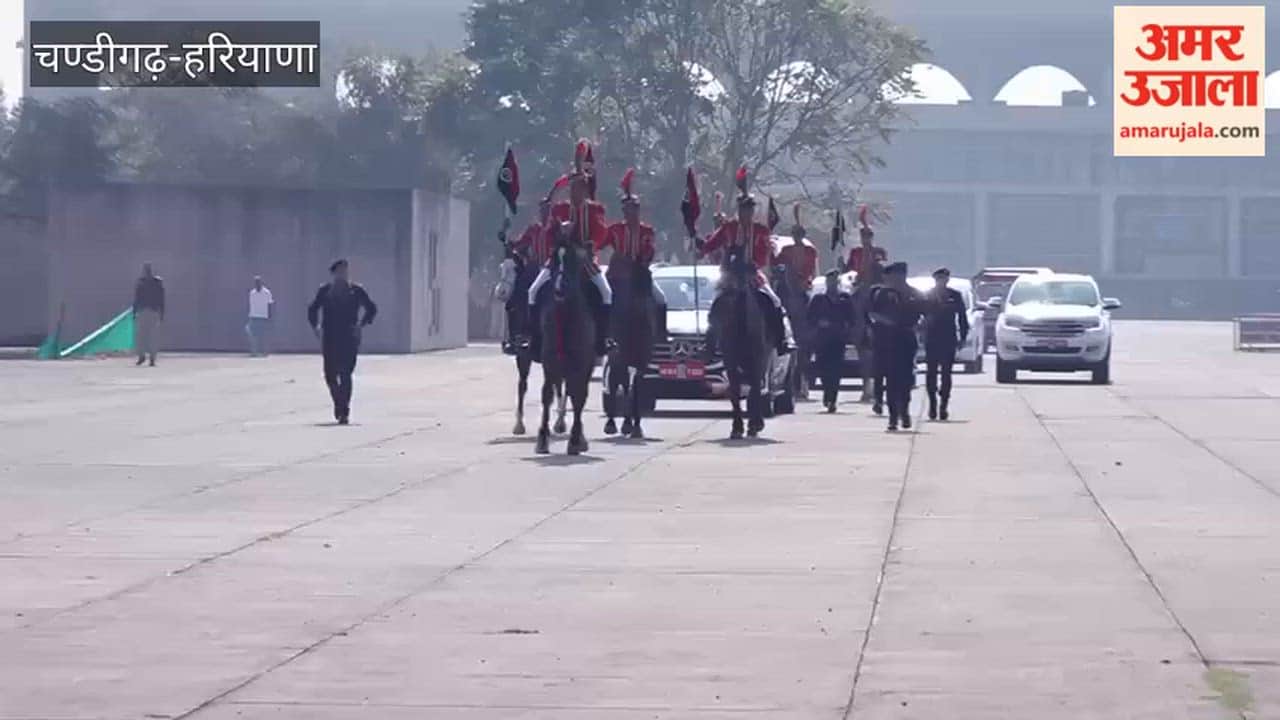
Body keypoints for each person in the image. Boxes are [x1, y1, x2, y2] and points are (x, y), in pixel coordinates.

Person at [523, 142, 615, 357]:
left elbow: (601, 233)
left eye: (579, 187)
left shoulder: (594, 209)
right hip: (560, 258)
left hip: (585, 261)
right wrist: (559, 232)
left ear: (585, 189)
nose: (575, 191)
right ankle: (533, 338)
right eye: (573, 187)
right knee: (533, 291)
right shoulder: (560, 209)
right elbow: (548, 234)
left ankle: (603, 339)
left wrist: (590, 244)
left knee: (607, 293)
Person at [696, 192, 792, 356]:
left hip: (752, 275)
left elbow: (764, 254)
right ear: (739, 209)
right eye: (743, 208)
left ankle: (781, 340)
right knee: (717, 305)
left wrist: (754, 266)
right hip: (731, 276)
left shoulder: (761, 230)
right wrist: (701, 250)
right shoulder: (728, 228)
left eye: (749, 209)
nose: (746, 212)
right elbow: (713, 243)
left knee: (774, 301)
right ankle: (709, 344)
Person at [307, 259, 377, 425]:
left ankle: (344, 411)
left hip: (349, 337)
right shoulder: (325, 291)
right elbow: (312, 309)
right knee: (330, 375)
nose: (342, 275)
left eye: (345, 272)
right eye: (339, 272)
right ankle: (339, 403)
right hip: (330, 337)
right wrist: (316, 326)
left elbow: (371, 309)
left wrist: (361, 324)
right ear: (333, 274)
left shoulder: (356, 290)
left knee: (346, 374)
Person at [598, 169, 668, 331]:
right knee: (603, 297)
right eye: (628, 209)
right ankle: (604, 332)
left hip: (639, 273)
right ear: (623, 211)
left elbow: (649, 251)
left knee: (661, 299)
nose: (631, 213)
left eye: (634, 209)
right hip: (617, 274)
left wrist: (641, 260)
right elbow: (600, 244)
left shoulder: (646, 231)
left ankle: (661, 333)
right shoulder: (615, 229)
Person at [867, 261, 927, 431]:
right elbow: (872, 313)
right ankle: (893, 417)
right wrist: (887, 321)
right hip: (888, 340)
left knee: (906, 380)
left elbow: (925, 314)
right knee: (892, 380)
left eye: (897, 276)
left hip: (907, 339)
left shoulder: (914, 294)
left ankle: (904, 411)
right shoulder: (882, 294)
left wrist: (921, 325)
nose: (894, 279)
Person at [502, 197, 554, 354]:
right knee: (516, 295)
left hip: (552, 268)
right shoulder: (533, 229)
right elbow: (519, 244)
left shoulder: (556, 228)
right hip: (534, 269)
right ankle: (517, 335)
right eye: (542, 210)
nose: (544, 213)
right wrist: (508, 242)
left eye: (547, 209)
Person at [923, 267, 969, 421]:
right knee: (931, 373)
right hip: (932, 338)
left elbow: (962, 317)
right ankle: (932, 403)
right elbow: (920, 315)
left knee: (946, 373)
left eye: (945, 279)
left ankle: (943, 404)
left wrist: (963, 337)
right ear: (935, 280)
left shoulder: (954, 296)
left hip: (948, 338)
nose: (942, 281)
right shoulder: (927, 295)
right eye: (940, 279)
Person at [808, 269, 854, 412]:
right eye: (830, 280)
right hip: (822, 339)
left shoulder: (845, 299)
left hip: (838, 339)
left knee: (836, 369)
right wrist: (818, 323)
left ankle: (832, 399)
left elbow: (852, 317)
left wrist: (846, 327)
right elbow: (809, 317)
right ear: (827, 282)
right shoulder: (818, 299)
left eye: (835, 280)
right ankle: (827, 392)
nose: (832, 283)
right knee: (823, 368)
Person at [132, 263, 165, 367]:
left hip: (146, 310)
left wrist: (134, 312)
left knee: (144, 336)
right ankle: (149, 357)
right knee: (149, 336)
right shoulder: (156, 283)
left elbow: (137, 299)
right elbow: (161, 299)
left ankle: (146, 357)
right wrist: (162, 312)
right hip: (151, 310)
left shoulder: (142, 283)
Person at [245, 275, 274, 357]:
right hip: (253, 316)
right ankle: (254, 352)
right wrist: (250, 315)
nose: (257, 284)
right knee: (251, 334)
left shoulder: (267, 292)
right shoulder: (252, 293)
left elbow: (270, 304)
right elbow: (251, 304)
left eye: (258, 282)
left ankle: (265, 352)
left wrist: (269, 316)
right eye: (255, 282)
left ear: (261, 282)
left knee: (264, 335)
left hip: (263, 316)